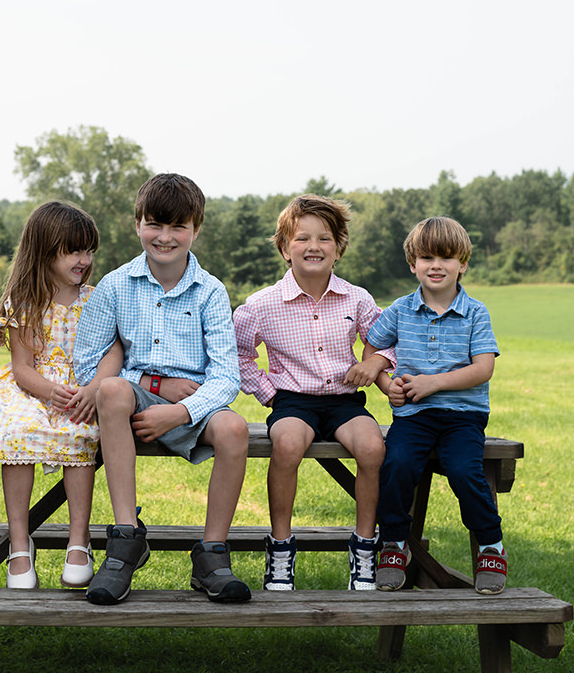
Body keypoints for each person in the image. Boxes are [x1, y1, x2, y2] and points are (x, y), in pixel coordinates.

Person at [73, 172, 251, 606]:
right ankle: (125, 542)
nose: (165, 237)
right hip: (134, 401)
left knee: (235, 429)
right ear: (138, 224)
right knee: (111, 390)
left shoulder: (210, 291)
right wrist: (154, 385)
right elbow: (86, 367)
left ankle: (211, 556)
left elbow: (227, 376)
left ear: (195, 229)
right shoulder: (116, 286)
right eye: (155, 224)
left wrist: (180, 410)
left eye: (178, 227)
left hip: (198, 402)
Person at [233, 194, 395, 592]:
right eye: (302, 238)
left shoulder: (357, 298)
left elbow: (387, 340)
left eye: (324, 238)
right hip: (292, 400)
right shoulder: (262, 304)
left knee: (373, 448)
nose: (313, 246)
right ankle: (282, 547)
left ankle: (363, 547)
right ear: (285, 248)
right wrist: (269, 393)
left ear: (338, 248)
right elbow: (237, 353)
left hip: (344, 401)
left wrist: (373, 364)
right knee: (287, 445)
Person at [0, 201, 122, 590]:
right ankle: (19, 543)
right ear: (45, 250)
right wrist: (50, 391)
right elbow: (22, 368)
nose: (84, 259)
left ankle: (79, 540)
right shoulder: (24, 303)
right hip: (34, 388)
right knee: (17, 431)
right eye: (74, 250)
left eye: (89, 250)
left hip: (83, 388)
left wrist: (93, 389)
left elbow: (116, 350)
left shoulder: (97, 298)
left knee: (82, 434)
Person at [365, 216, 507, 595]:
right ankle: (394, 545)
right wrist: (386, 385)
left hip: (464, 416)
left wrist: (433, 383)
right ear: (413, 264)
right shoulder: (399, 310)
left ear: (463, 263)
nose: (436, 265)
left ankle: (490, 546)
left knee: (464, 470)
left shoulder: (475, 312)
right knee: (396, 465)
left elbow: (484, 368)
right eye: (426, 257)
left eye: (446, 257)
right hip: (413, 415)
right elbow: (373, 351)